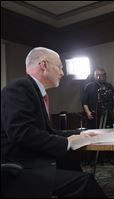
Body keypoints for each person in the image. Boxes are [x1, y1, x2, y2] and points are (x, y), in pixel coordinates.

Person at [1, 47, 106, 198]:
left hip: (32, 160)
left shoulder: (33, 90)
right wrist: (66, 143)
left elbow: (47, 133)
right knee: (85, 181)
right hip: (19, 168)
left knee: (72, 163)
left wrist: (79, 133)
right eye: (60, 66)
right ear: (44, 65)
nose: (62, 72)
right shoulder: (20, 87)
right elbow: (22, 134)